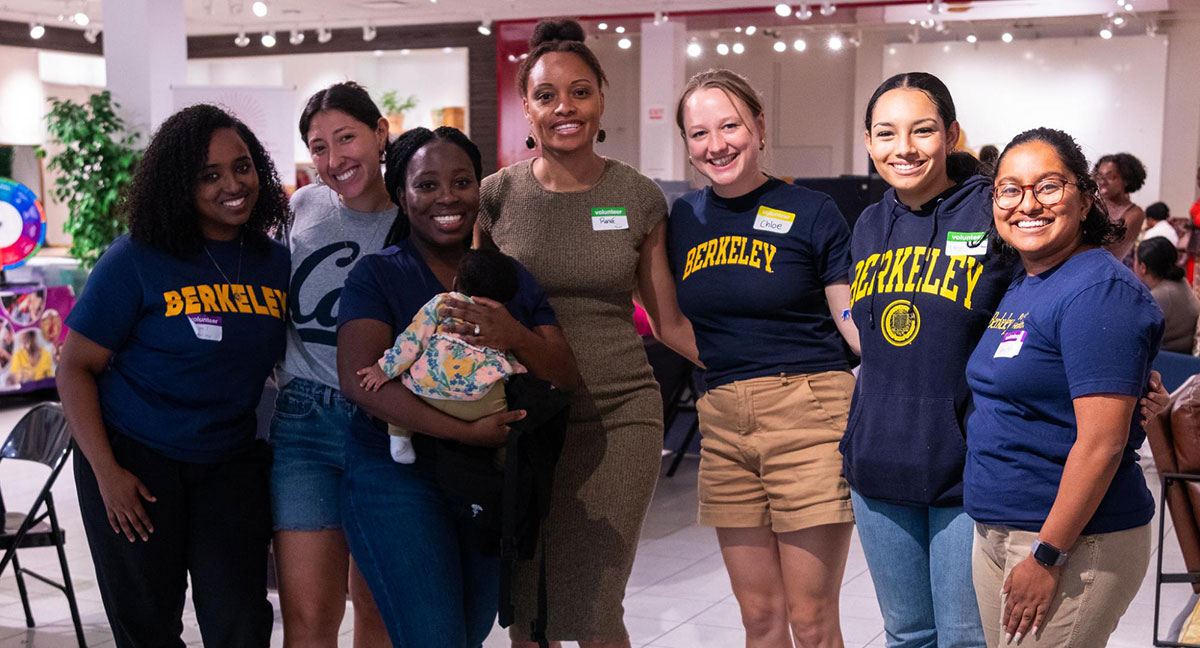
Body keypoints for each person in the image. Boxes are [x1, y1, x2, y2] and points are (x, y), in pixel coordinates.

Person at [56, 104, 290, 647]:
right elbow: (74, 368)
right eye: (209, 175)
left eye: (243, 166)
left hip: (229, 463)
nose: (233, 184)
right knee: (148, 628)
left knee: (239, 623)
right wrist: (107, 473)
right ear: (180, 186)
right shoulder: (138, 257)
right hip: (135, 464)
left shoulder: (274, 262)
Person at [475, 19, 678, 647]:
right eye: (547, 95)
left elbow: (668, 321)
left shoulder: (637, 196)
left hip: (620, 417)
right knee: (528, 609)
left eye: (580, 91)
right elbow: (471, 315)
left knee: (593, 605)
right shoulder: (495, 197)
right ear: (526, 108)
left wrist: (759, 366)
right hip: (525, 422)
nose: (565, 107)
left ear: (601, 100)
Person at [337, 126, 578, 647]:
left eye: (462, 181)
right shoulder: (377, 275)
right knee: (435, 635)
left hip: (483, 480)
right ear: (401, 195)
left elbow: (562, 374)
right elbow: (361, 383)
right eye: (426, 185)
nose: (447, 196)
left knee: (468, 631)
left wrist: (511, 333)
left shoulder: (510, 277)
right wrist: (468, 432)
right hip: (394, 471)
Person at [648, 68, 861, 648]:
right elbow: (667, 323)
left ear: (759, 127)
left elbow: (849, 318)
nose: (715, 145)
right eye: (698, 133)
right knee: (759, 620)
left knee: (812, 621)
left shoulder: (813, 211)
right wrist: (727, 362)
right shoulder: (682, 221)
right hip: (723, 420)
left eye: (729, 126)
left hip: (811, 415)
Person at [966, 127, 1162, 647]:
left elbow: (1102, 442)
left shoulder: (1100, 291)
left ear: (1086, 196)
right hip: (1001, 527)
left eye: (1048, 186)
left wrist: (1048, 554)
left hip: (1069, 540)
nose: (1027, 203)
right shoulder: (1027, 281)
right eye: (1010, 189)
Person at [270, 81, 393, 648]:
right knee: (308, 618)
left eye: (347, 138)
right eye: (319, 147)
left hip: (387, 427)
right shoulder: (302, 207)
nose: (334, 158)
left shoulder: (414, 216)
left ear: (380, 133)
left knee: (377, 609)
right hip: (304, 424)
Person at [356, 248, 527, 464]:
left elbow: (413, 340)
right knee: (505, 423)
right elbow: (505, 353)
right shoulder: (501, 319)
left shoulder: (444, 302)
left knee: (402, 385)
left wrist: (383, 369)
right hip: (480, 405)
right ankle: (502, 459)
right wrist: (518, 368)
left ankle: (400, 435)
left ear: (456, 282)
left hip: (424, 391)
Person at [1134, 236, 1198, 354]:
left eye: (1135, 259)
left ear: (1143, 267)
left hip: (1169, 359)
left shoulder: (1159, 296)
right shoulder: (1181, 282)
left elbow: (1135, 334)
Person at [1093, 152, 1147, 265]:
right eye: (1100, 176)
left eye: (1110, 177)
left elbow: (1112, 247)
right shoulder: (1091, 204)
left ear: (1126, 180)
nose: (1103, 181)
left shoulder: (1134, 213)